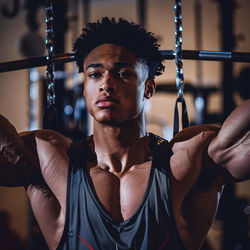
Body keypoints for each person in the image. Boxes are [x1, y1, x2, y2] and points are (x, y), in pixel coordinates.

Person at [0, 17, 249, 250]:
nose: (106, 84)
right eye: (95, 74)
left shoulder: (186, 159)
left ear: (148, 88)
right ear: (85, 88)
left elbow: (235, 146)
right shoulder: (51, 160)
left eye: (123, 74)